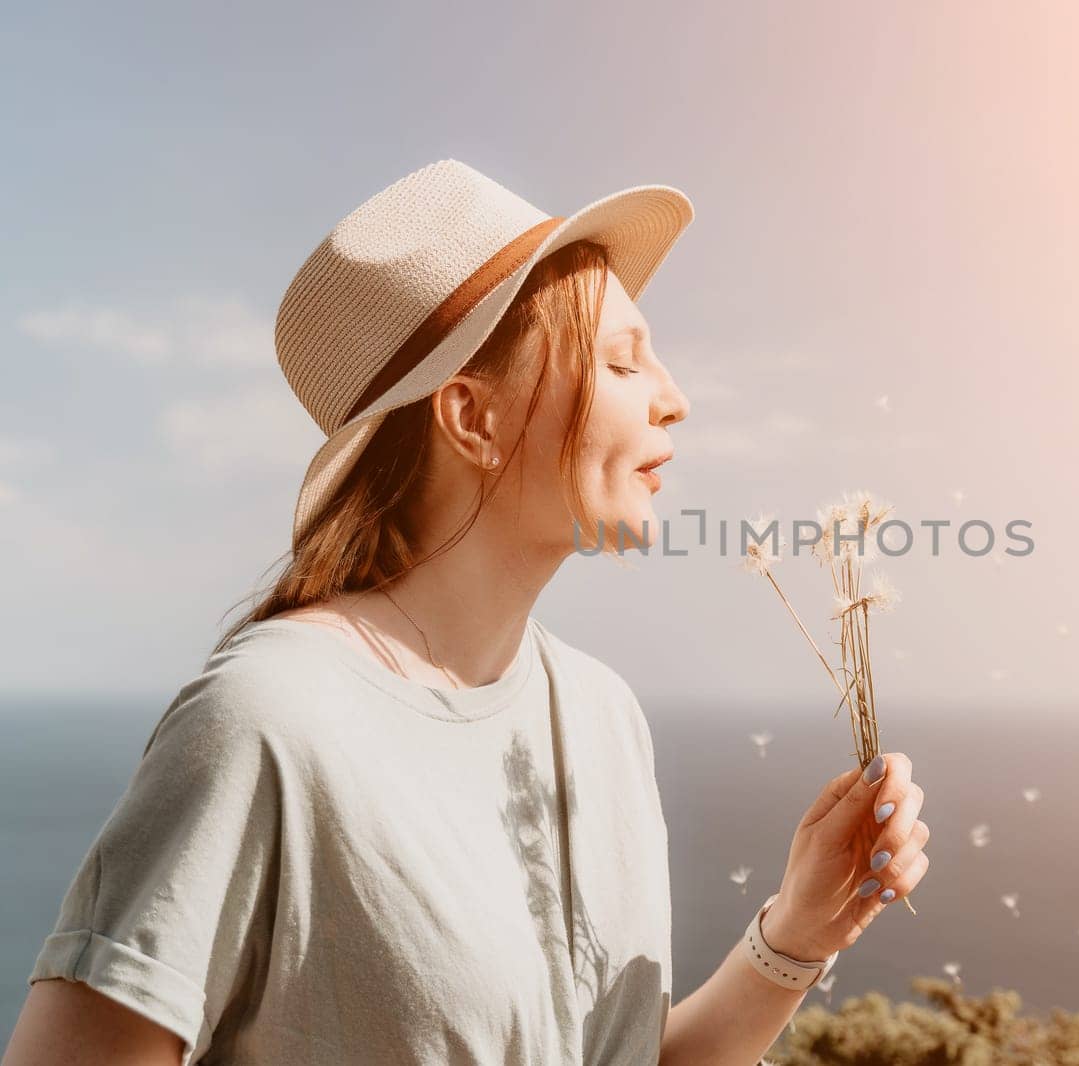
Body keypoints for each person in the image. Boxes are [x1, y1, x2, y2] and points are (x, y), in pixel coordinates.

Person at [2, 160, 932, 1066]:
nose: (674, 400)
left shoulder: (602, 715)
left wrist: (802, 929)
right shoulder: (268, 724)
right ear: (472, 419)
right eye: (620, 361)